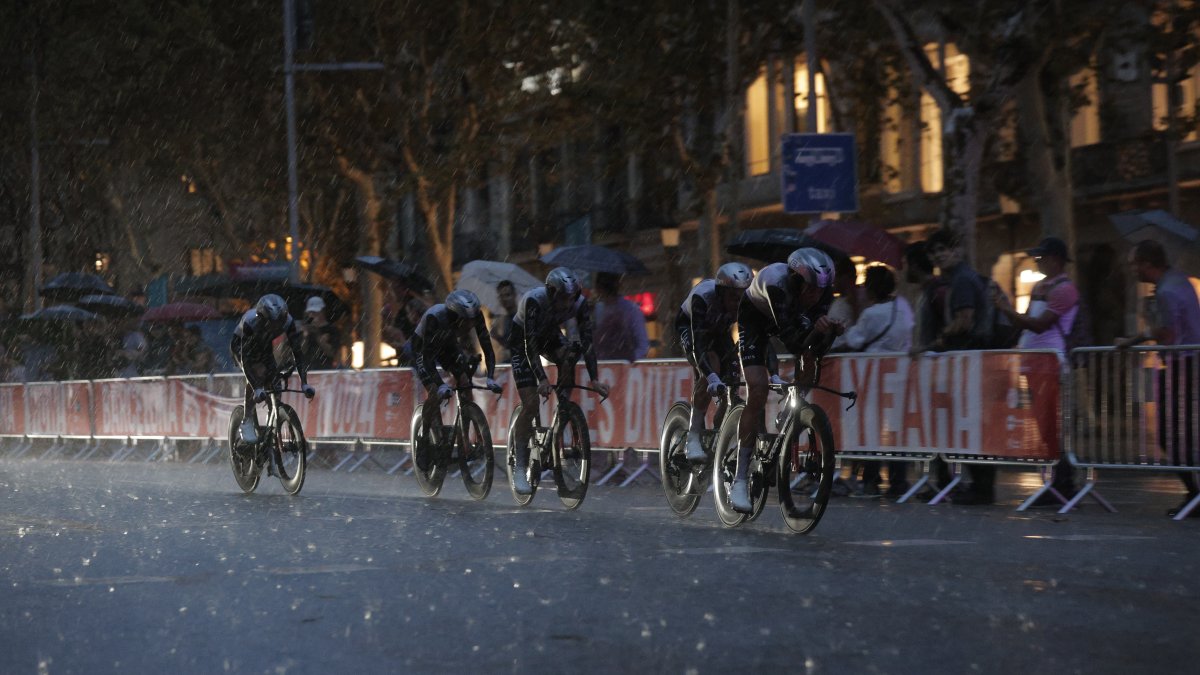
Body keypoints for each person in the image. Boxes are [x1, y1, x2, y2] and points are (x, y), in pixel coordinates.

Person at [731, 248, 844, 513]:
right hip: (755, 319)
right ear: (796, 280)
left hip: (787, 318)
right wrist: (816, 331)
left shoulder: (823, 293)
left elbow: (816, 350)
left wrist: (830, 333)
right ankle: (739, 478)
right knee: (758, 390)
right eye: (811, 289)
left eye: (821, 290)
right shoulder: (777, 285)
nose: (816, 296)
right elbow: (793, 342)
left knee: (811, 360)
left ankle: (790, 413)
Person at [509, 267, 612, 495]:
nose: (567, 303)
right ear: (551, 292)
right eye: (563, 298)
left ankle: (563, 412)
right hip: (523, 343)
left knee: (571, 353)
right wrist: (542, 378)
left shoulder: (579, 303)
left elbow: (588, 343)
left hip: (550, 336)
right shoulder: (534, 301)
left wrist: (595, 379)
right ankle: (520, 466)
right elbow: (530, 346)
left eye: (571, 297)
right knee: (531, 404)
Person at [1117, 239, 1200, 518]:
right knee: (1184, 431)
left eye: (1134, 264)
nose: (1132, 270)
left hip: (1181, 364)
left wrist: (1133, 339)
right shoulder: (1180, 281)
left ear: (1147, 263)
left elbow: (1166, 333)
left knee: (1169, 433)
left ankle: (1194, 493)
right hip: (1188, 361)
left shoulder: (1166, 291)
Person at [994, 236, 1079, 506]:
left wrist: (1007, 310)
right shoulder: (1040, 287)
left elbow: (1040, 324)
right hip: (1033, 364)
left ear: (1056, 259)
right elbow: (1027, 322)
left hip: (1051, 364)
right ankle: (1055, 483)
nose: (1037, 261)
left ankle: (1064, 484)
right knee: (1043, 426)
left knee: (1052, 425)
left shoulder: (1065, 290)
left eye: (1041, 257)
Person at [924, 228, 996, 505]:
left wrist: (939, 339)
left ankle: (982, 488)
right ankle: (978, 486)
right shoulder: (960, 279)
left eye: (944, 249)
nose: (939, 256)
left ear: (957, 250)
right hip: (970, 361)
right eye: (934, 252)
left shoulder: (963, 280)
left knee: (971, 425)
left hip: (970, 359)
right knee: (971, 425)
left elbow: (965, 320)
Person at [840, 265, 915, 498]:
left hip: (873, 379)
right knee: (897, 431)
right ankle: (898, 481)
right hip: (900, 377)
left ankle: (870, 480)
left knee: (872, 429)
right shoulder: (903, 306)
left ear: (871, 288)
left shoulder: (871, 314)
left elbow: (854, 340)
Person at [407, 290, 502, 465]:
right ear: (455, 315)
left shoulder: (475, 315)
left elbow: (487, 348)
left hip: (448, 344)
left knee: (464, 381)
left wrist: (490, 377)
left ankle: (465, 443)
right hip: (423, 348)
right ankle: (423, 440)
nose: (470, 325)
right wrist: (440, 385)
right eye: (466, 321)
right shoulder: (435, 317)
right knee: (435, 391)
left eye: (472, 320)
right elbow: (427, 360)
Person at [676, 262, 754, 463]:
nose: (738, 303)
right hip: (691, 328)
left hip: (719, 330)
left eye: (743, 297)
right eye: (733, 297)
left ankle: (718, 438)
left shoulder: (746, 303)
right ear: (721, 292)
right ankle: (693, 436)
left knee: (733, 385)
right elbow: (700, 347)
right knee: (712, 364)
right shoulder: (702, 297)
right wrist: (711, 377)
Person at [229, 294, 315, 447]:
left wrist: (305, 383)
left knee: (274, 380)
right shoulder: (251, 322)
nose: (276, 327)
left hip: (264, 345)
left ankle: (273, 421)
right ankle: (247, 419)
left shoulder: (288, 322)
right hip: (241, 346)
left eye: (279, 323)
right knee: (258, 373)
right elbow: (246, 360)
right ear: (262, 319)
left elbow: (298, 353)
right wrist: (257, 388)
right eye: (272, 323)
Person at [592, 272, 649, 362]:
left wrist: (625, 363)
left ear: (598, 288)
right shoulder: (631, 309)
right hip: (606, 365)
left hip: (616, 365)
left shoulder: (630, 309)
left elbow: (642, 346)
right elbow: (643, 346)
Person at [299, 296, 341, 370]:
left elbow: (332, 353)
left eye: (315, 312)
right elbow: (300, 352)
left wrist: (318, 334)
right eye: (310, 312)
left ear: (322, 311)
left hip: (325, 370)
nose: (312, 315)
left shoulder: (332, 330)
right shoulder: (306, 329)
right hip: (308, 370)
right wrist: (305, 335)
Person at [489, 280, 519, 361]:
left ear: (514, 295)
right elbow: (508, 345)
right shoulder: (504, 320)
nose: (504, 299)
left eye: (507, 295)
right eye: (501, 296)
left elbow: (520, 345)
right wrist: (497, 337)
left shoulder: (522, 317)